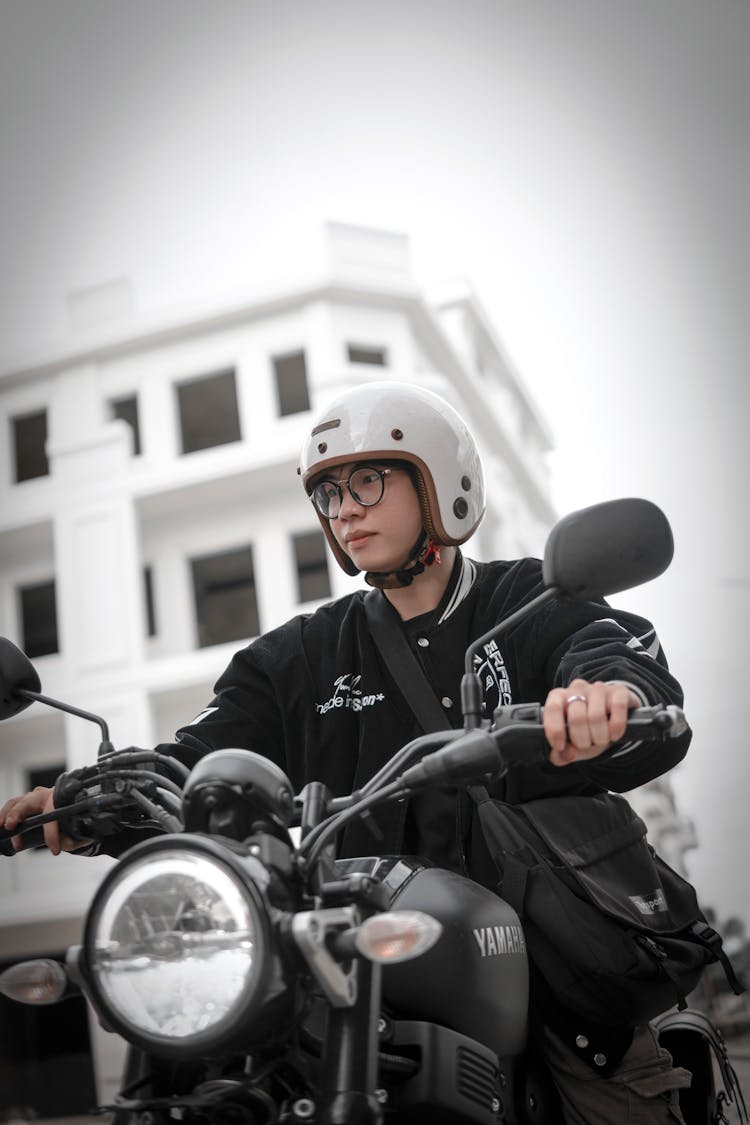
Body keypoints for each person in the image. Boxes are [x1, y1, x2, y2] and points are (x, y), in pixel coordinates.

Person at [0, 381, 693, 1122]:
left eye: (368, 479)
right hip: (352, 967)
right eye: (329, 492)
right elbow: (196, 758)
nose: (346, 507)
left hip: (538, 971)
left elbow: (612, 653)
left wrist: (600, 695)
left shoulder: (527, 602)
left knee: (617, 1097)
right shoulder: (299, 656)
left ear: (439, 482)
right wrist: (86, 801)